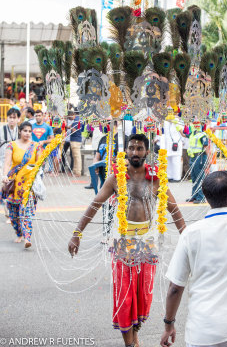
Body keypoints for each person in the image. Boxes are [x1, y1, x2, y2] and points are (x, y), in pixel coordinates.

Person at [68, 133, 186, 347]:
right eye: (131, 148)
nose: (134, 152)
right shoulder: (116, 178)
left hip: (148, 243)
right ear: (126, 150)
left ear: (147, 152)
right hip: (122, 242)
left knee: (143, 298)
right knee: (125, 298)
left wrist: (187, 238)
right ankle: (129, 344)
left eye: (139, 148)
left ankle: (134, 335)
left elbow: (174, 209)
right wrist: (77, 234)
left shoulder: (156, 178)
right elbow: (95, 205)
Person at [160, 170, 227, 347]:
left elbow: (175, 288)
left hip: (202, 331)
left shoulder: (190, 233)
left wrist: (168, 324)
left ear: (206, 197)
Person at [2, 122, 42, 248]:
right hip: (14, 184)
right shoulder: (11, 146)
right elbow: (7, 163)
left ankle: (27, 238)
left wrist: (27, 170)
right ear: (20, 131)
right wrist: (4, 176)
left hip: (29, 185)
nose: (28, 133)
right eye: (25, 131)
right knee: (14, 214)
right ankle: (19, 233)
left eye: (30, 131)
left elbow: (38, 164)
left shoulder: (36, 146)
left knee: (27, 212)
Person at [0, 108, 21, 222]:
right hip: (2, 165)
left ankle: (15, 214)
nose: (12, 120)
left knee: (16, 189)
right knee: (5, 188)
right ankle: (8, 215)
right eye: (10, 117)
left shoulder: (21, 131)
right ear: (7, 118)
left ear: (18, 119)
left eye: (14, 118)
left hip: (17, 166)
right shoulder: (1, 130)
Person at [187, 120, 209, 203]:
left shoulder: (202, 135)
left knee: (199, 177)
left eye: (197, 124)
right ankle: (194, 196)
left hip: (200, 157)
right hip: (193, 157)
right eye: (194, 124)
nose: (195, 125)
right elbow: (183, 134)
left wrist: (208, 160)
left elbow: (206, 147)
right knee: (194, 177)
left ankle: (201, 197)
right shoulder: (192, 134)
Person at [70, 110, 83, 177]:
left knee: (77, 157)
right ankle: (75, 170)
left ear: (74, 114)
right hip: (78, 139)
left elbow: (74, 130)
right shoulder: (80, 120)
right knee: (75, 156)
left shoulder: (76, 121)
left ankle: (77, 172)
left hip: (75, 140)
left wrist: (69, 128)